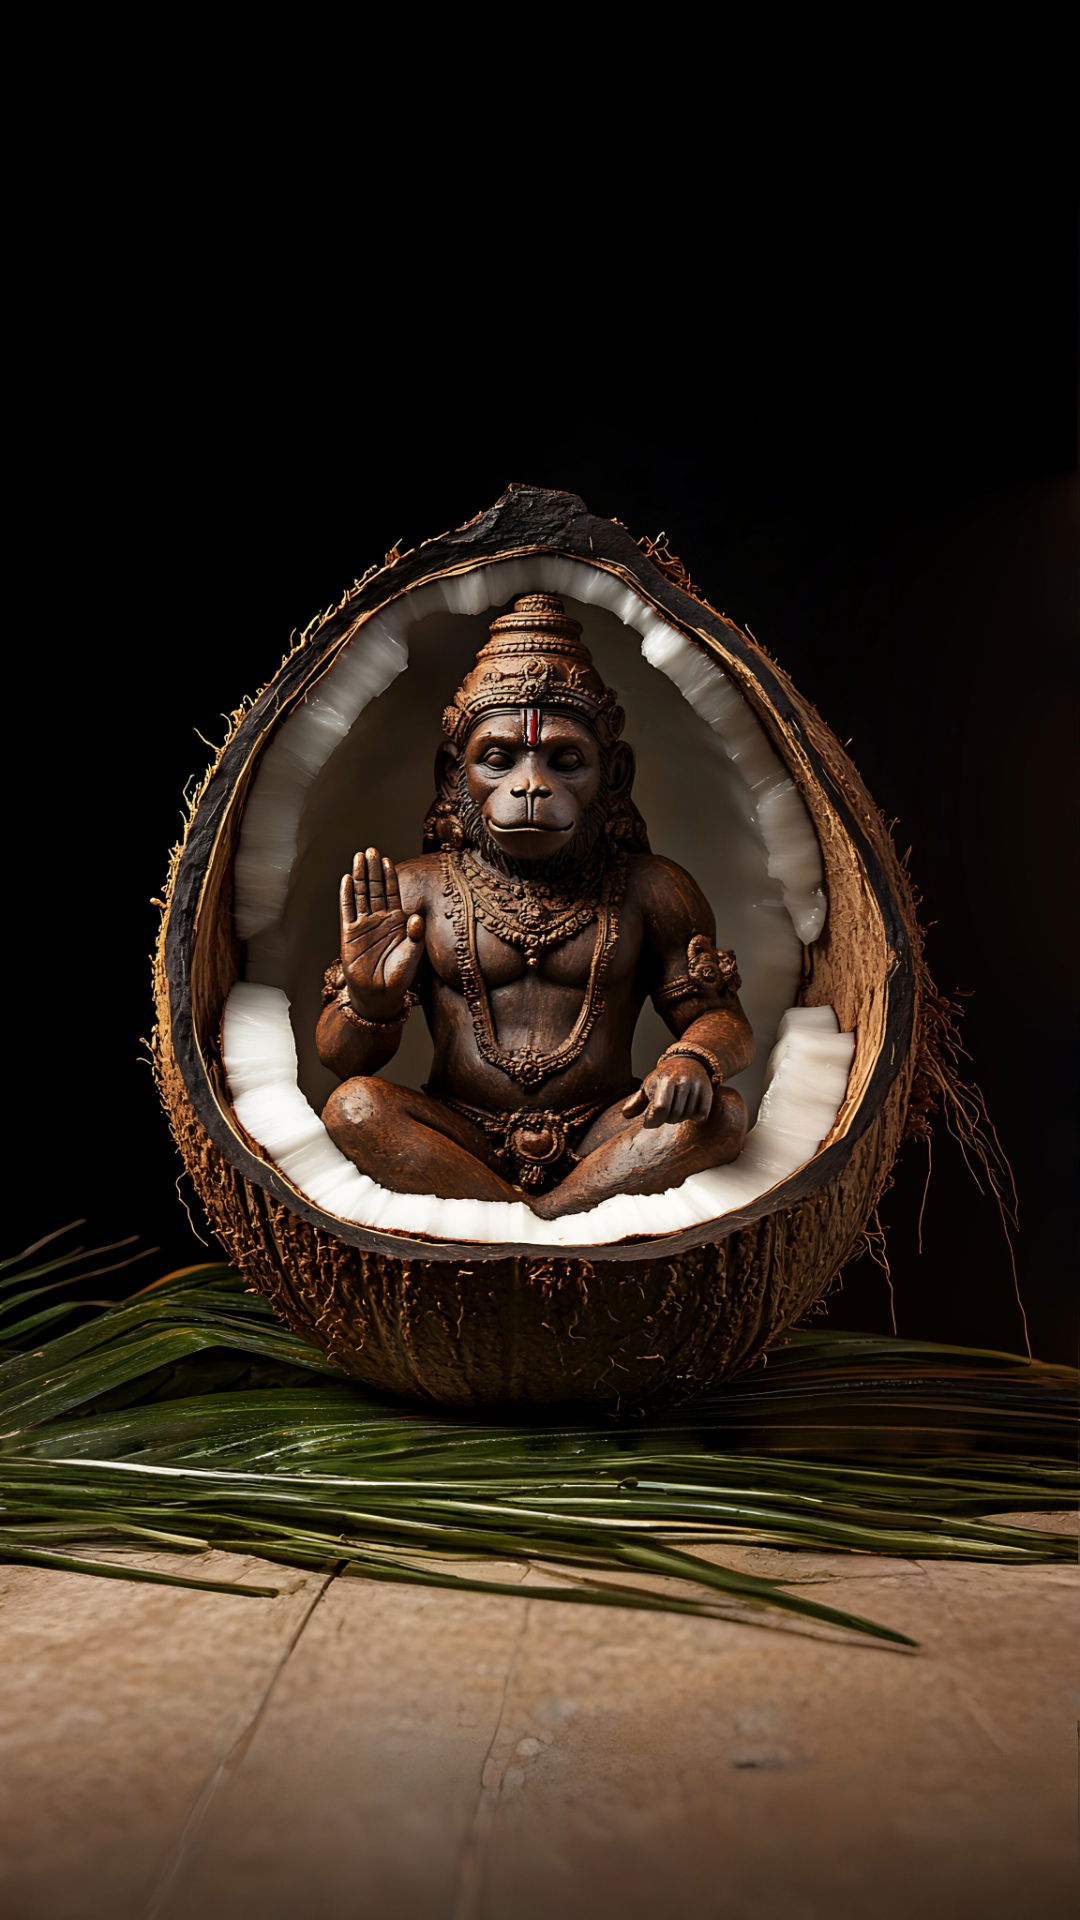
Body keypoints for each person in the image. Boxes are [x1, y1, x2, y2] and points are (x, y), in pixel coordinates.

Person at [317, 593, 752, 1218]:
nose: (530, 784)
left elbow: (725, 1022)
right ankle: (547, 1220)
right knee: (356, 1108)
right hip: (460, 1134)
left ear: (615, 776)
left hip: (604, 1132)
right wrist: (370, 1001)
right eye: (498, 759)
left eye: (564, 760)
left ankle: (534, 1220)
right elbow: (341, 1060)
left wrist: (693, 1058)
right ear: (451, 775)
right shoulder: (418, 888)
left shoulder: (651, 887)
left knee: (721, 1116)